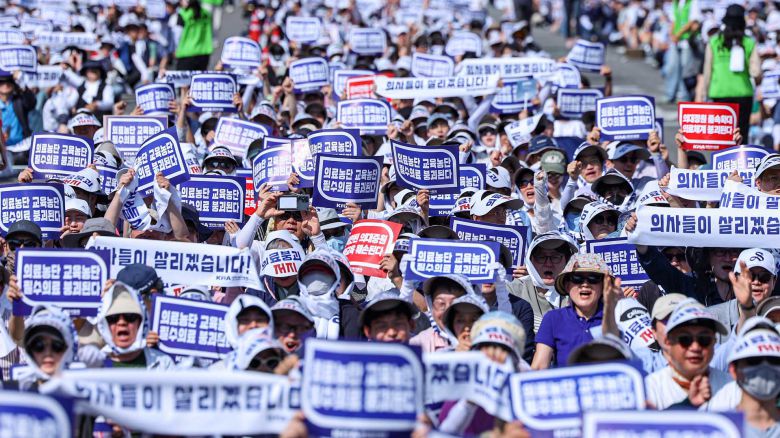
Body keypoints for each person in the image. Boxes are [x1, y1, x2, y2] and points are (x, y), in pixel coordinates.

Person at [532, 253, 620, 368]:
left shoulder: (617, 316)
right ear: (567, 285)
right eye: (577, 278)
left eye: (593, 278)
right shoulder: (553, 318)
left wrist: (611, 309)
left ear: (604, 286)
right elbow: (539, 366)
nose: (585, 284)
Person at [644, 298, 731, 410]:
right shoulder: (650, 389)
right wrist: (687, 404)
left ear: (714, 342)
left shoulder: (732, 386)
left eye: (704, 339)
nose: (695, 347)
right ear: (668, 342)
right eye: (685, 339)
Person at [700, 4, 760, 140]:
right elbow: (755, 72)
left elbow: (707, 70)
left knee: (721, 137)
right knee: (741, 136)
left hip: (719, 93)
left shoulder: (714, 42)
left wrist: (704, 93)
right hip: (743, 93)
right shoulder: (748, 42)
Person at [175, 0, 213, 70]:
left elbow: (177, 35)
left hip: (186, 53)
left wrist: (175, 50)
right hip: (203, 52)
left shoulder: (183, 14)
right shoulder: (206, 14)